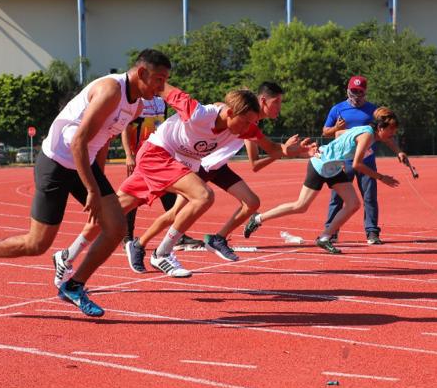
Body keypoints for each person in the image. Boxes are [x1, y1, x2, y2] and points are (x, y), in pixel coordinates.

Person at [0, 48, 172, 318]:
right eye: (159, 79)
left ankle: (74, 285)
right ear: (142, 73)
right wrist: (93, 190)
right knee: (37, 244)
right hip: (57, 162)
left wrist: (99, 180)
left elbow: (104, 138)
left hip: (84, 162)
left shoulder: (136, 105)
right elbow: (78, 141)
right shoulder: (110, 90)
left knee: (116, 226)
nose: (162, 87)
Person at [56, 86, 264, 280]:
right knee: (203, 196)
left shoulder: (242, 127)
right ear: (230, 112)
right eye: (246, 121)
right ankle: (162, 252)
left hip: (176, 162)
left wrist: (286, 150)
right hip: (158, 154)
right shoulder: (198, 112)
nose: (249, 127)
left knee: (112, 212)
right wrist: (135, 86)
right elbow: (164, 88)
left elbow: (270, 146)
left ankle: (66, 255)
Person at [125, 82, 316, 265]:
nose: (280, 108)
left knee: (252, 202)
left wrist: (294, 151)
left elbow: (273, 149)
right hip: (197, 164)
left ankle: (217, 239)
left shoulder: (249, 126)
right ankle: (143, 244)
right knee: (176, 212)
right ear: (263, 101)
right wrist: (141, 87)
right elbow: (175, 94)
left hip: (216, 166)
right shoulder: (215, 114)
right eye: (277, 102)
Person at [243, 107, 402, 254]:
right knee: (300, 206)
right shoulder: (367, 135)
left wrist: (343, 151)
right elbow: (357, 164)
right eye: (391, 132)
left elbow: (339, 135)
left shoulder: (366, 131)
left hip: (333, 168)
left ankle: (325, 238)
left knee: (353, 203)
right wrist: (382, 177)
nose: (391, 136)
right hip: (320, 164)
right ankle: (257, 218)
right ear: (381, 128)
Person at [321, 75, 406, 244]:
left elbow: (385, 134)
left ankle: (372, 232)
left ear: (365, 92)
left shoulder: (374, 111)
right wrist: (336, 128)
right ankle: (331, 231)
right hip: (343, 161)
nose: (357, 94)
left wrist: (398, 151)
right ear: (348, 90)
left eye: (360, 91)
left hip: (366, 160)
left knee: (369, 197)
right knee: (337, 197)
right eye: (354, 90)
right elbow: (326, 132)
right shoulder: (337, 109)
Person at [119, 96, 202, 250]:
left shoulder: (161, 101)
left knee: (168, 192)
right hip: (140, 155)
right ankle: (127, 238)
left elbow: (163, 125)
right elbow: (124, 128)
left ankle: (178, 236)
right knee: (132, 197)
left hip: (159, 153)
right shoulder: (137, 100)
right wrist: (128, 155)